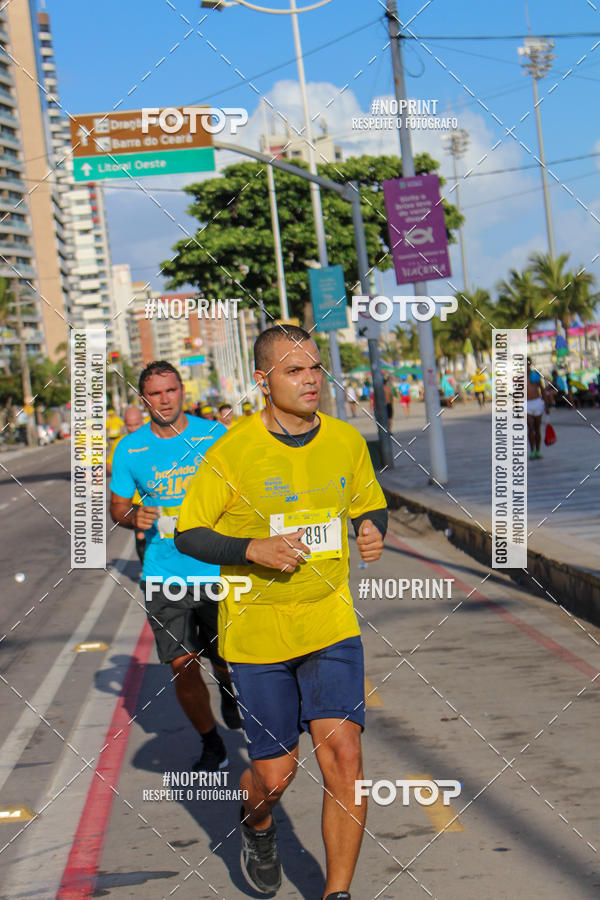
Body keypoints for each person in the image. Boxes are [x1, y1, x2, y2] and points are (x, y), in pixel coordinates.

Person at [175, 325, 387, 899]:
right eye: (295, 371)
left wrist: (371, 530)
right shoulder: (233, 451)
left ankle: (336, 892)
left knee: (344, 754)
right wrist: (251, 549)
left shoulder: (345, 441)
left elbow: (370, 505)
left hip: (329, 623)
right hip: (256, 634)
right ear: (264, 381)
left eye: (315, 367)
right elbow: (188, 532)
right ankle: (258, 823)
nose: (311, 379)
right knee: (275, 776)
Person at [109, 361, 241, 771]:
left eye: (171, 391)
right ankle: (211, 743)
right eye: (155, 394)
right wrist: (134, 517)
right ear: (143, 399)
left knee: (225, 658)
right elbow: (118, 506)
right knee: (183, 665)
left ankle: (227, 686)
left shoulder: (213, 434)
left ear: (182, 390)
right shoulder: (130, 449)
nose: (164, 400)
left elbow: (240, 488)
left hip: (215, 568)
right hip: (163, 573)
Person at [107, 406, 147, 564]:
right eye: (130, 425)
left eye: (136, 424)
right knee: (141, 533)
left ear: (142, 421)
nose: (133, 428)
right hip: (134, 499)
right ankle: (147, 570)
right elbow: (109, 465)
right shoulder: (120, 443)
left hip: (157, 496)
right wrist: (121, 468)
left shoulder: (153, 437)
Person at [526, 358, 548, 460]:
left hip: (537, 402)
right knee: (530, 427)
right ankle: (532, 451)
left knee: (537, 427)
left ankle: (538, 451)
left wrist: (546, 405)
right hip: (526, 403)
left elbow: (542, 389)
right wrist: (517, 408)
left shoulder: (535, 375)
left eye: (528, 364)